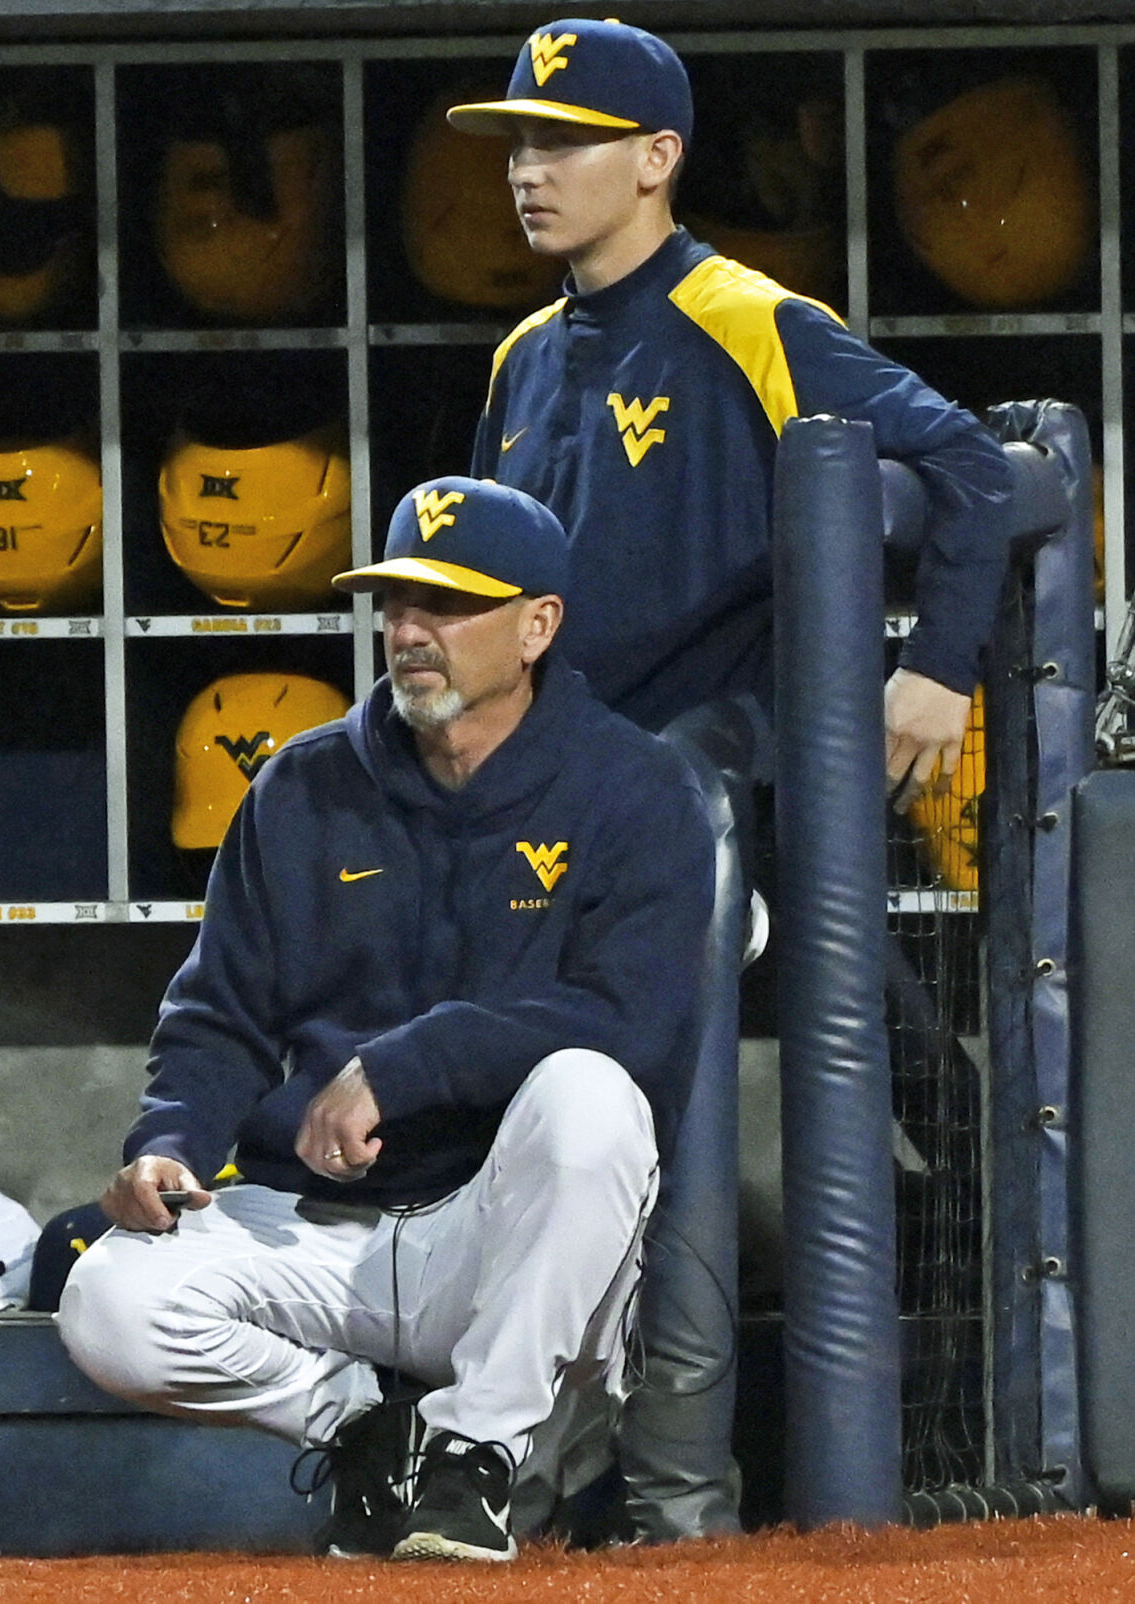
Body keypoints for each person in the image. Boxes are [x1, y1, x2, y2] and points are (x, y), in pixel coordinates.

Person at [445, 17, 1014, 1540]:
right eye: (516, 141)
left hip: (704, 783)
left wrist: (934, 671)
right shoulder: (518, 355)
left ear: (655, 159)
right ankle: (525, 1462)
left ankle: (679, 1492)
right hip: (547, 791)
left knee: (674, 1101)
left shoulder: (749, 315)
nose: (525, 169)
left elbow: (971, 469)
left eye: (559, 141)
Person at [56, 475, 719, 1564]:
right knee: (105, 1300)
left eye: (449, 606)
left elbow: (632, 1026)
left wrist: (408, 1062)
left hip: (504, 1240)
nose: (410, 631)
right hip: (319, 1226)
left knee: (594, 1094)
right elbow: (218, 1012)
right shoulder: (302, 785)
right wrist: (169, 1144)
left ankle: (473, 1454)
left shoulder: (635, 789)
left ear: (537, 624)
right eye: (397, 602)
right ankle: (375, 1431)